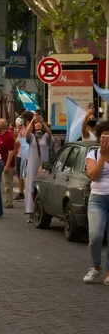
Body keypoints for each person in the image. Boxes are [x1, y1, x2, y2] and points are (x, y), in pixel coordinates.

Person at [83, 121, 109, 284]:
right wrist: (103, 158)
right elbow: (93, 176)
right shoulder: (93, 154)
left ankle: (108, 273)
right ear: (99, 138)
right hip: (98, 200)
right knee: (95, 236)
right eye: (104, 136)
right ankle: (96, 267)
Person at [24, 114, 52, 223]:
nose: (38, 124)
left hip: (44, 165)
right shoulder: (31, 137)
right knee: (31, 187)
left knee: (43, 188)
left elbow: (50, 134)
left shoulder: (46, 137)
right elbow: (26, 134)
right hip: (32, 166)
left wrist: (43, 122)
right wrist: (32, 121)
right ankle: (30, 212)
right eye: (36, 123)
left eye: (39, 123)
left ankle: (44, 211)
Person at [0, 118, 15, 208]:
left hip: (6, 163)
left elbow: (11, 152)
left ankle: (9, 201)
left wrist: (7, 165)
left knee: (7, 184)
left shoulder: (9, 137)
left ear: (2, 126)